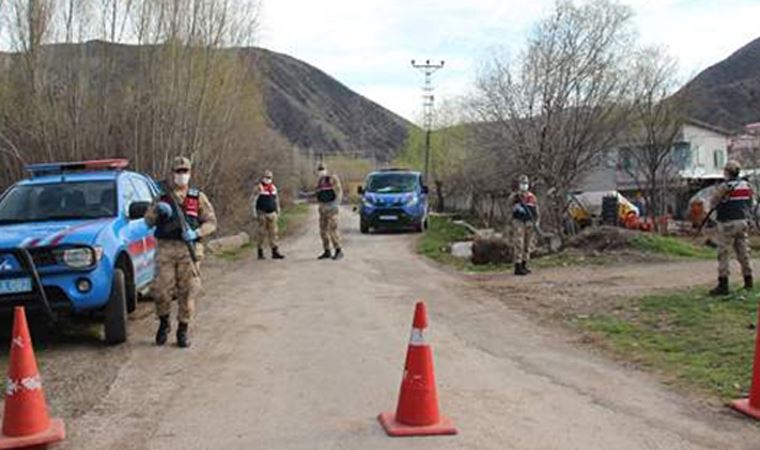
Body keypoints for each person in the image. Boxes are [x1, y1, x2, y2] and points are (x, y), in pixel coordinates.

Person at [145, 157, 217, 348]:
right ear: (172, 173)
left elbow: (211, 222)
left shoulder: (197, 197)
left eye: (185, 171)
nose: (181, 175)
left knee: (188, 292)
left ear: (190, 173)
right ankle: (163, 323)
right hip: (165, 249)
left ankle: (182, 330)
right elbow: (147, 222)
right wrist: (158, 212)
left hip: (189, 250)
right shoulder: (162, 196)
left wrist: (197, 233)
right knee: (160, 291)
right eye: (178, 171)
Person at [709, 160, 754, 296]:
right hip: (742, 222)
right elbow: (750, 202)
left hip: (727, 222)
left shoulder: (725, 187)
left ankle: (723, 285)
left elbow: (713, 202)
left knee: (723, 253)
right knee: (743, 252)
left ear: (727, 172)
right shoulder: (746, 186)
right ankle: (748, 280)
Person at [508, 174, 539, 276]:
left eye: (525, 183)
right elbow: (510, 208)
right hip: (519, 222)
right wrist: (515, 202)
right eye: (522, 183)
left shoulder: (532, 197)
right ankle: (518, 266)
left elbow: (536, 211)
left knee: (527, 244)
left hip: (529, 222)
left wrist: (537, 222)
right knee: (519, 243)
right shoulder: (515, 196)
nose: (524, 185)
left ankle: (524, 265)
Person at [252, 170, 285, 260]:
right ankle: (260, 251)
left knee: (273, 233)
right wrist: (254, 213)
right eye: (266, 177)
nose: (268, 179)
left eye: (270, 177)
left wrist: (278, 210)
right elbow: (253, 200)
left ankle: (275, 251)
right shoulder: (259, 187)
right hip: (262, 213)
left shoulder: (273, 188)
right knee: (261, 233)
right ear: (263, 177)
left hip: (272, 213)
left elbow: (276, 200)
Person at [313, 163, 344, 260]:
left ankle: (338, 250)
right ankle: (327, 251)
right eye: (319, 170)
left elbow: (339, 192)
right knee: (323, 231)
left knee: (333, 230)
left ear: (326, 169)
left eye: (322, 169)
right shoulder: (319, 181)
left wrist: (336, 205)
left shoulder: (332, 179)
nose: (320, 171)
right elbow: (318, 194)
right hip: (323, 209)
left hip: (332, 208)